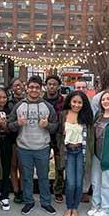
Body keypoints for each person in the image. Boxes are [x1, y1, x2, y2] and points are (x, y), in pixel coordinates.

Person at [8, 76, 60, 215]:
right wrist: (17, 124)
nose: (34, 90)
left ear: (41, 88)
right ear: (27, 88)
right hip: (24, 148)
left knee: (44, 176)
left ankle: (46, 202)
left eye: (37, 87)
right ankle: (28, 201)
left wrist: (47, 125)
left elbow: (56, 126)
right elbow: (9, 125)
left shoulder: (47, 106)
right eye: (31, 87)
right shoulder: (19, 106)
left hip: (42, 147)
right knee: (26, 177)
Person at [57, 90, 95, 216]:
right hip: (68, 152)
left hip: (80, 152)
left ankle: (75, 208)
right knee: (70, 182)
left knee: (79, 183)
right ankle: (69, 207)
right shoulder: (63, 115)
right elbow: (58, 133)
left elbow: (90, 139)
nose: (77, 105)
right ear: (69, 101)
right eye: (74, 102)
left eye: (80, 102)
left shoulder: (86, 117)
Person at [44, 75, 66, 203]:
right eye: (49, 84)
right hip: (44, 135)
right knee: (43, 165)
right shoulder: (41, 101)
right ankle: (45, 189)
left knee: (59, 165)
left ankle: (58, 190)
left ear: (58, 86)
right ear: (46, 86)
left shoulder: (63, 102)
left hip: (59, 137)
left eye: (54, 84)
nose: (51, 86)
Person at [8, 77, 26, 204]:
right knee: (13, 165)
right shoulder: (9, 102)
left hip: (26, 136)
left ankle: (24, 190)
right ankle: (16, 191)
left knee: (23, 166)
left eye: (19, 84)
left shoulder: (29, 101)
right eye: (14, 85)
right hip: (12, 136)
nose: (17, 87)